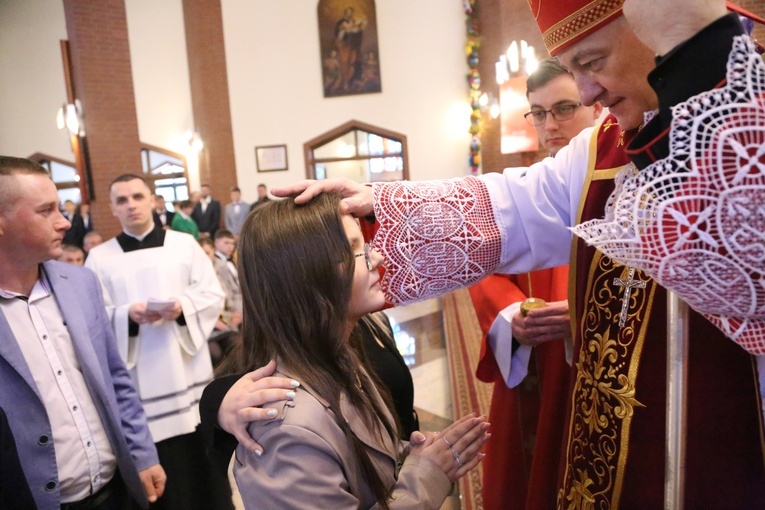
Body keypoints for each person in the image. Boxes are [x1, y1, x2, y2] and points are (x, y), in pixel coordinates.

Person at [272, 1, 765, 506]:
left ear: (656, 28)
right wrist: (377, 203)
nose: (589, 93)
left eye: (593, 62)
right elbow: (517, 208)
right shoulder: (603, 148)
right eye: (575, 71)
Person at [215, 193, 488, 509]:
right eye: (356, 250)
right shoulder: (287, 431)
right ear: (310, 279)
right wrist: (427, 474)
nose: (378, 258)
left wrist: (413, 456)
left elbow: (363, 459)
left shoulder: (339, 355)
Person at [467, 57, 602, 510]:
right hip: (533, 361)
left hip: (596, 363)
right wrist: (510, 315)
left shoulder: (618, 183)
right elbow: (484, 259)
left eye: (565, 108)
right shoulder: (528, 183)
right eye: (538, 113)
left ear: (596, 105)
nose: (550, 125)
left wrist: (586, 313)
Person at [0, 156, 165, 509]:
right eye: (46, 211)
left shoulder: (79, 282)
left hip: (114, 488)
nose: (63, 223)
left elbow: (115, 377)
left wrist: (142, 453)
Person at [85, 174, 232, 510]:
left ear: (152, 200)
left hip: (187, 374)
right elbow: (91, 318)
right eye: (121, 200)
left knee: (201, 470)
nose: (131, 205)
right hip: (138, 386)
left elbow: (212, 295)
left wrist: (182, 307)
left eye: (138, 196)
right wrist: (125, 315)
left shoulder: (184, 244)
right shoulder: (100, 258)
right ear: (111, 208)